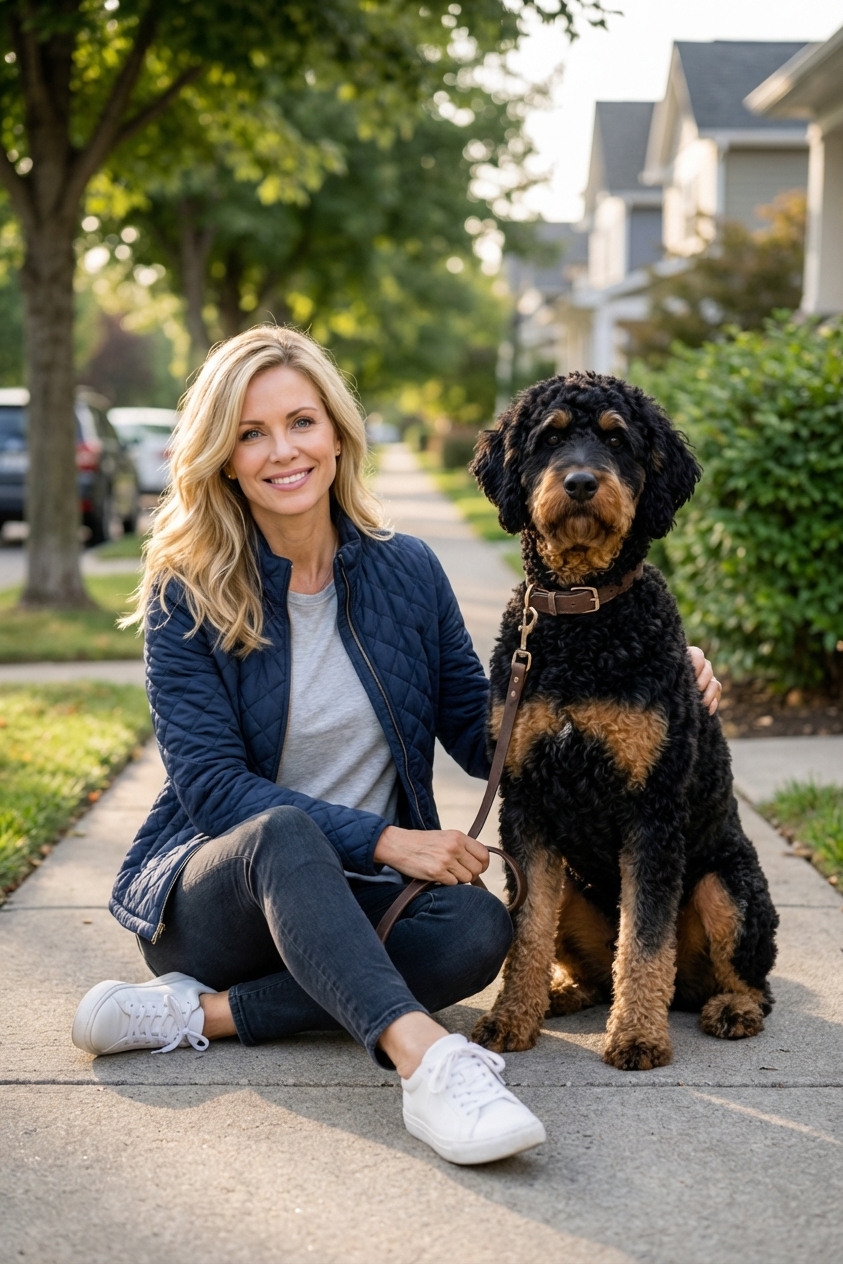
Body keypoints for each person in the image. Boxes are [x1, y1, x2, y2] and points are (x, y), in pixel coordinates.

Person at [71, 326, 721, 1167]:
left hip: (366, 900)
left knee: (475, 935)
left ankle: (196, 1016)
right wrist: (384, 839)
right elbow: (214, 790)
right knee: (281, 831)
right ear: (222, 457)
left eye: (301, 422)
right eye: (250, 432)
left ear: (338, 435)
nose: (282, 451)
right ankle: (431, 1064)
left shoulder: (406, 572)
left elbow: (484, 732)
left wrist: (656, 683)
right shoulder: (183, 590)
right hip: (215, 896)